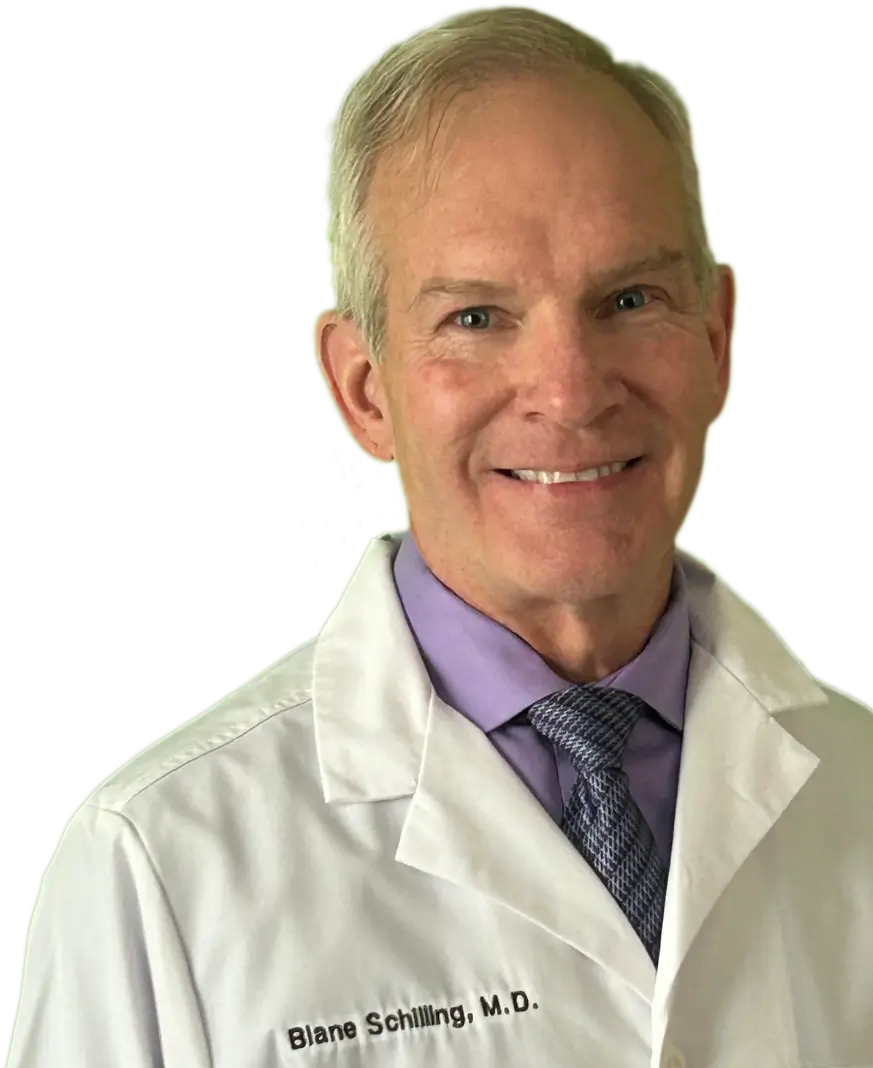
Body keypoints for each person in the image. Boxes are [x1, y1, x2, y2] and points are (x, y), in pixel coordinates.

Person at [8, 6, 872, 1068]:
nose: (569, 391)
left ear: (716, 339)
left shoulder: (863, 794)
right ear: (363, 390)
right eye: (475, 318)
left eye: (628, 298)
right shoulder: (162, 867)